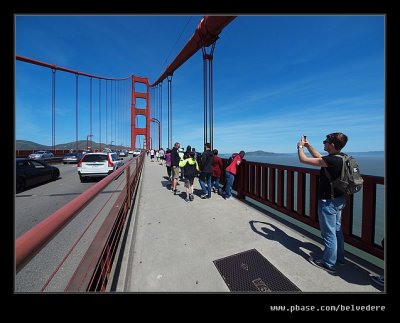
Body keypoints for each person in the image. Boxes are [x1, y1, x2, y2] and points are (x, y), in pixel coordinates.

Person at [297, 132, 348, 274]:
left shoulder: (332, 161)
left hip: (328, 202)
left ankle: (328, 263)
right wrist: (307, 145)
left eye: (325, 141)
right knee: (337, 231)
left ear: (331, 145)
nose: (324, 143)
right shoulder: (342, 158)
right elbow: (319, 157)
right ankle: (339, 259)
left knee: (329, 234)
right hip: (339, 200)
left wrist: (300, 147)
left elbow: (303, 160)